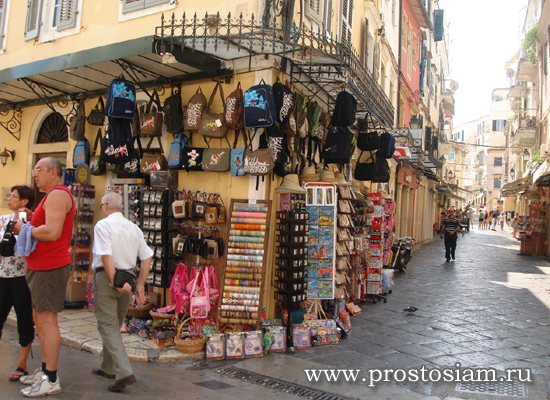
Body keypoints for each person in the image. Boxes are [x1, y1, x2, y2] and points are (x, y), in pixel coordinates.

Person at [11, 158, 75, 398]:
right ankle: (46, 370)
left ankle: (51, 377)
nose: (35, 175)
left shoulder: (58, 195)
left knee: (47, 321)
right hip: (40, 266)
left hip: (50, 267)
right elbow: (45, 224)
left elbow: (52, 231)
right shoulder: (51, 197)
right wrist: (32, 217)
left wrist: (23, 229)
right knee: (40, 318)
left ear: (53, 172)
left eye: (39, 170)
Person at [91, 192, 153, 393]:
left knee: (107, 326)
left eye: (102, 206)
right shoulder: (133, 228)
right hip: (128, 277)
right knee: (115, 324)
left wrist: (112, 281)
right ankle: (107, 367)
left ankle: (124, 371)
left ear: (106, 206)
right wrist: (140, 285)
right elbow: (147, 257)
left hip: (109, 277)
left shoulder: (103, 225)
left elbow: (106, 256)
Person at [0, 186, 35, 382]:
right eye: (10, 195)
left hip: (22, 277)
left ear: (24, 201)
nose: (9, 199)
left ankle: (22, 364)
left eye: (14, 197)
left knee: (24, 320)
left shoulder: (31, 222)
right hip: (2, 275)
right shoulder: (3, 219)